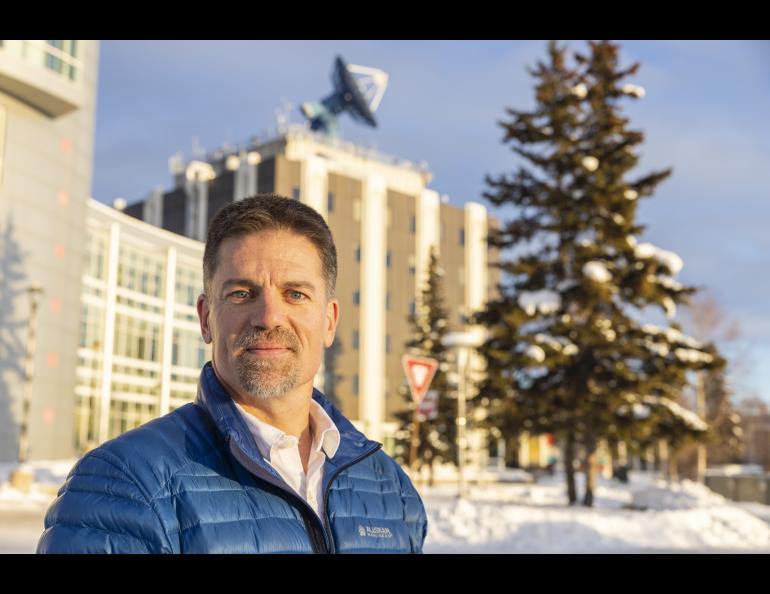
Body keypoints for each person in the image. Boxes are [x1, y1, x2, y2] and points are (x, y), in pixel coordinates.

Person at [37, 194, 428, 554]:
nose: (269, 317)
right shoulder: (123, 488)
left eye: (295, 294)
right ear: (206, 318)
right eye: (241, 293)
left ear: (329, 322)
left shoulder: (391, 489)